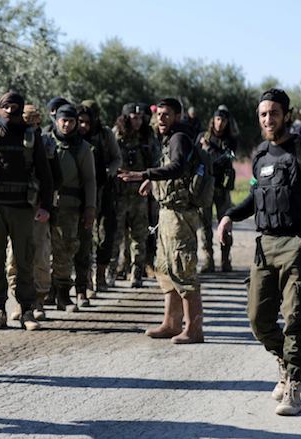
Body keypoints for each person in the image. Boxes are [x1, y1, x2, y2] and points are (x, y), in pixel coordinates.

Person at [217, 89, 301, 415]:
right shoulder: (260, 154)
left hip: (296, 245)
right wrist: (228, 215)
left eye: (274, 113)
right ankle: (285, 361)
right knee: (258, 319)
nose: (268, 119)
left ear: (285, 114)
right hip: (265, 245)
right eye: (263, 114)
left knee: (296, 317)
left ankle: (293, 387)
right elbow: (257, 198)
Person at [120, 98, 204, 345]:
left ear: (177, 116)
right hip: (167, 212)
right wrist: (153, 180)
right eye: (159, 115)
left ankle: (194, 329)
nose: (161, 119)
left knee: (183, 267)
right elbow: (170, 168)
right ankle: (171, 323)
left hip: (180, 213)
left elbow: (177, 167)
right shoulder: (169, 139)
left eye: (167, 114)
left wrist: (144, 174)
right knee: (165, 269)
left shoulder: (179, 137)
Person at [0, 91, 53, 330]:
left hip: (23, 207)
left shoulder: (32, 136)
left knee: (24, 260)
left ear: (21, 110)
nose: (10, 111)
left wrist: (46, 206)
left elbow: (45, 174)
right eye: (6, 106)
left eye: (15, 107)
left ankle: (27, 310)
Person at [5, 103, 62, 320]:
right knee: (14, 258)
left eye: (31, 121)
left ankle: (38, 300)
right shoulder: (10, 141)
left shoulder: (46, 144)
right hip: (15, 208)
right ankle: (20, 301)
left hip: (37, 208)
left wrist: (45, 203)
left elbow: (56, 179)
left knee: (39, 255)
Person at [47, 104, 96, 310]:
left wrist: (90, 207)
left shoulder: (83, 148)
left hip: (70, 207)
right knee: (43, 251)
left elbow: (90, 180)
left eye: (71, 121)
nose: (67, 125)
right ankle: (45, 292)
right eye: (63, 120)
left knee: (66, 249)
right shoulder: (44, 142)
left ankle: (63, 293)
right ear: (56, 120)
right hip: (44, 205)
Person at [77, 100, 122, 295]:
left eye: (90, 118)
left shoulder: (105, 134)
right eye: (82, 120)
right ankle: (85, 278)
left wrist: (107, 172)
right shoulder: (74, 136)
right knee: (83, 236)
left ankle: (101, 275)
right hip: (81, 192)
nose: (85, 125)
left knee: (106, 234)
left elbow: (117, 158)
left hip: (104, 190)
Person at [109, 103, 155, 288]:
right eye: (134, 118)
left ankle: (136, 273)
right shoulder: (116, 135)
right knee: (116, 236)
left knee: (139, 236)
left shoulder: (147, 136)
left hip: (140, 194)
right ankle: (111, 272)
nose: (137, 121)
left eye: (140, 118)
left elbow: (155, 159)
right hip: (119, 193)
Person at [196, 108, 238, 273]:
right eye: (218, 119)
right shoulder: (203, 137)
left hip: (221, 187)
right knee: (205, 224)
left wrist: (209, 151)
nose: (220, 123)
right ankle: (208, 260)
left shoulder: (230, 140)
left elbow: (228, 157)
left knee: (225, 223)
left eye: (224, 120)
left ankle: (225, 260)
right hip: (206, 187)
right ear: (213, 120)